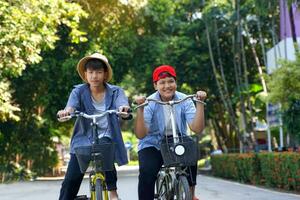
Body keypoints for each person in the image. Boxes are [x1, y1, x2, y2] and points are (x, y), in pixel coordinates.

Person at [57, 53, 130, 200]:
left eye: (98, 72)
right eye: (90, 72)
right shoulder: (78, 91)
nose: (94, 76)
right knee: (70, 179)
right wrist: (66, 112)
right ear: (85, 74)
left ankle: (113, 192)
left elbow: (122, 104)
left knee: (105, 147)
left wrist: (123, 110)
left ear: (105, 74)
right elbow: (71, 106)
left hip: (107, 135)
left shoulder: (116, 91)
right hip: (83, 138)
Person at [134, 65, 207, 200]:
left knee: (190, 148)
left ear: (176, 83)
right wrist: (140, 109)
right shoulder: (150, 102)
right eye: (162, 82)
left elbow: (196, 129)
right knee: (147, 172)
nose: (167, 86)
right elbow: (141, 135)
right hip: (153, 143)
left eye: (170, 81)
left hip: (176, 140)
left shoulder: (184, 99)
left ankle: (191, 193)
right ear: (155, 85)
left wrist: (200, 103)